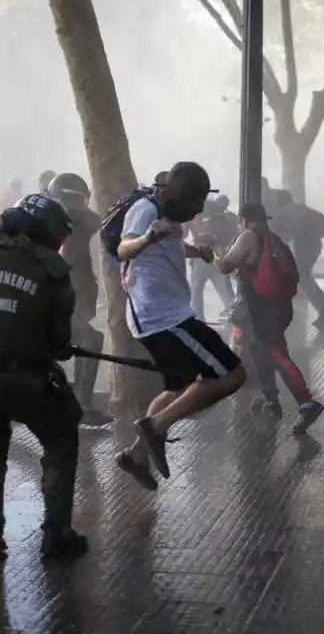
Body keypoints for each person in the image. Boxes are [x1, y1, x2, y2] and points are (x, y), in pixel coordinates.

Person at [0, 193, 87, 558]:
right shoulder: (52, 270)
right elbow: (58, 340)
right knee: (60, 438)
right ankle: (56, 533)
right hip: (25, 377)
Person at [113, 161, 247, 491]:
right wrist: (146, 237)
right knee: (232, 375)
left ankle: (136, 455)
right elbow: (123, 248)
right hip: (163, 317)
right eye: (195, 201)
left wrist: (195, 250)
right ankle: (155, 428)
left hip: (165, 313)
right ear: (178, 195)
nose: (199, 208)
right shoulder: (145, 210)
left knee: (178, 388)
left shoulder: (168, 216)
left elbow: (168, 243)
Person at [216, 202, 324, 430]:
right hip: (276, 306)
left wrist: (213, 250)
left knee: (275, 353)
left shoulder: (247, 236)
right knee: (258, 351)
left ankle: (307, 403)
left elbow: (225, 266)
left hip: (264, 311)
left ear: (243, 221)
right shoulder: (270, 237)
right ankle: (271, 400)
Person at [46, 172, 110, 427]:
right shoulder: (77, 219)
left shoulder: (45, 220)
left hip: (60, 299)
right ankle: (80, 404)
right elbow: (94, 219)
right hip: (62, 300)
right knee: (91, 340)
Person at [275, 190, 324, 328]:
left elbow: (276, 231)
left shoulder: (285, 211)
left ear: (281, 201)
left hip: (303, 245)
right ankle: (322, 304)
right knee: (302, 276)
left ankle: (322, 307)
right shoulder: (301, 208)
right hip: (315, 244)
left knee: (302, 278)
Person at [188, 192, 236, 322]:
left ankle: (198, 319)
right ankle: (235, 315)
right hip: (215, 257)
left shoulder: (197, 216)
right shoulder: (229, 218)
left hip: (203, 258)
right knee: (223, 290)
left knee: (197, 290)